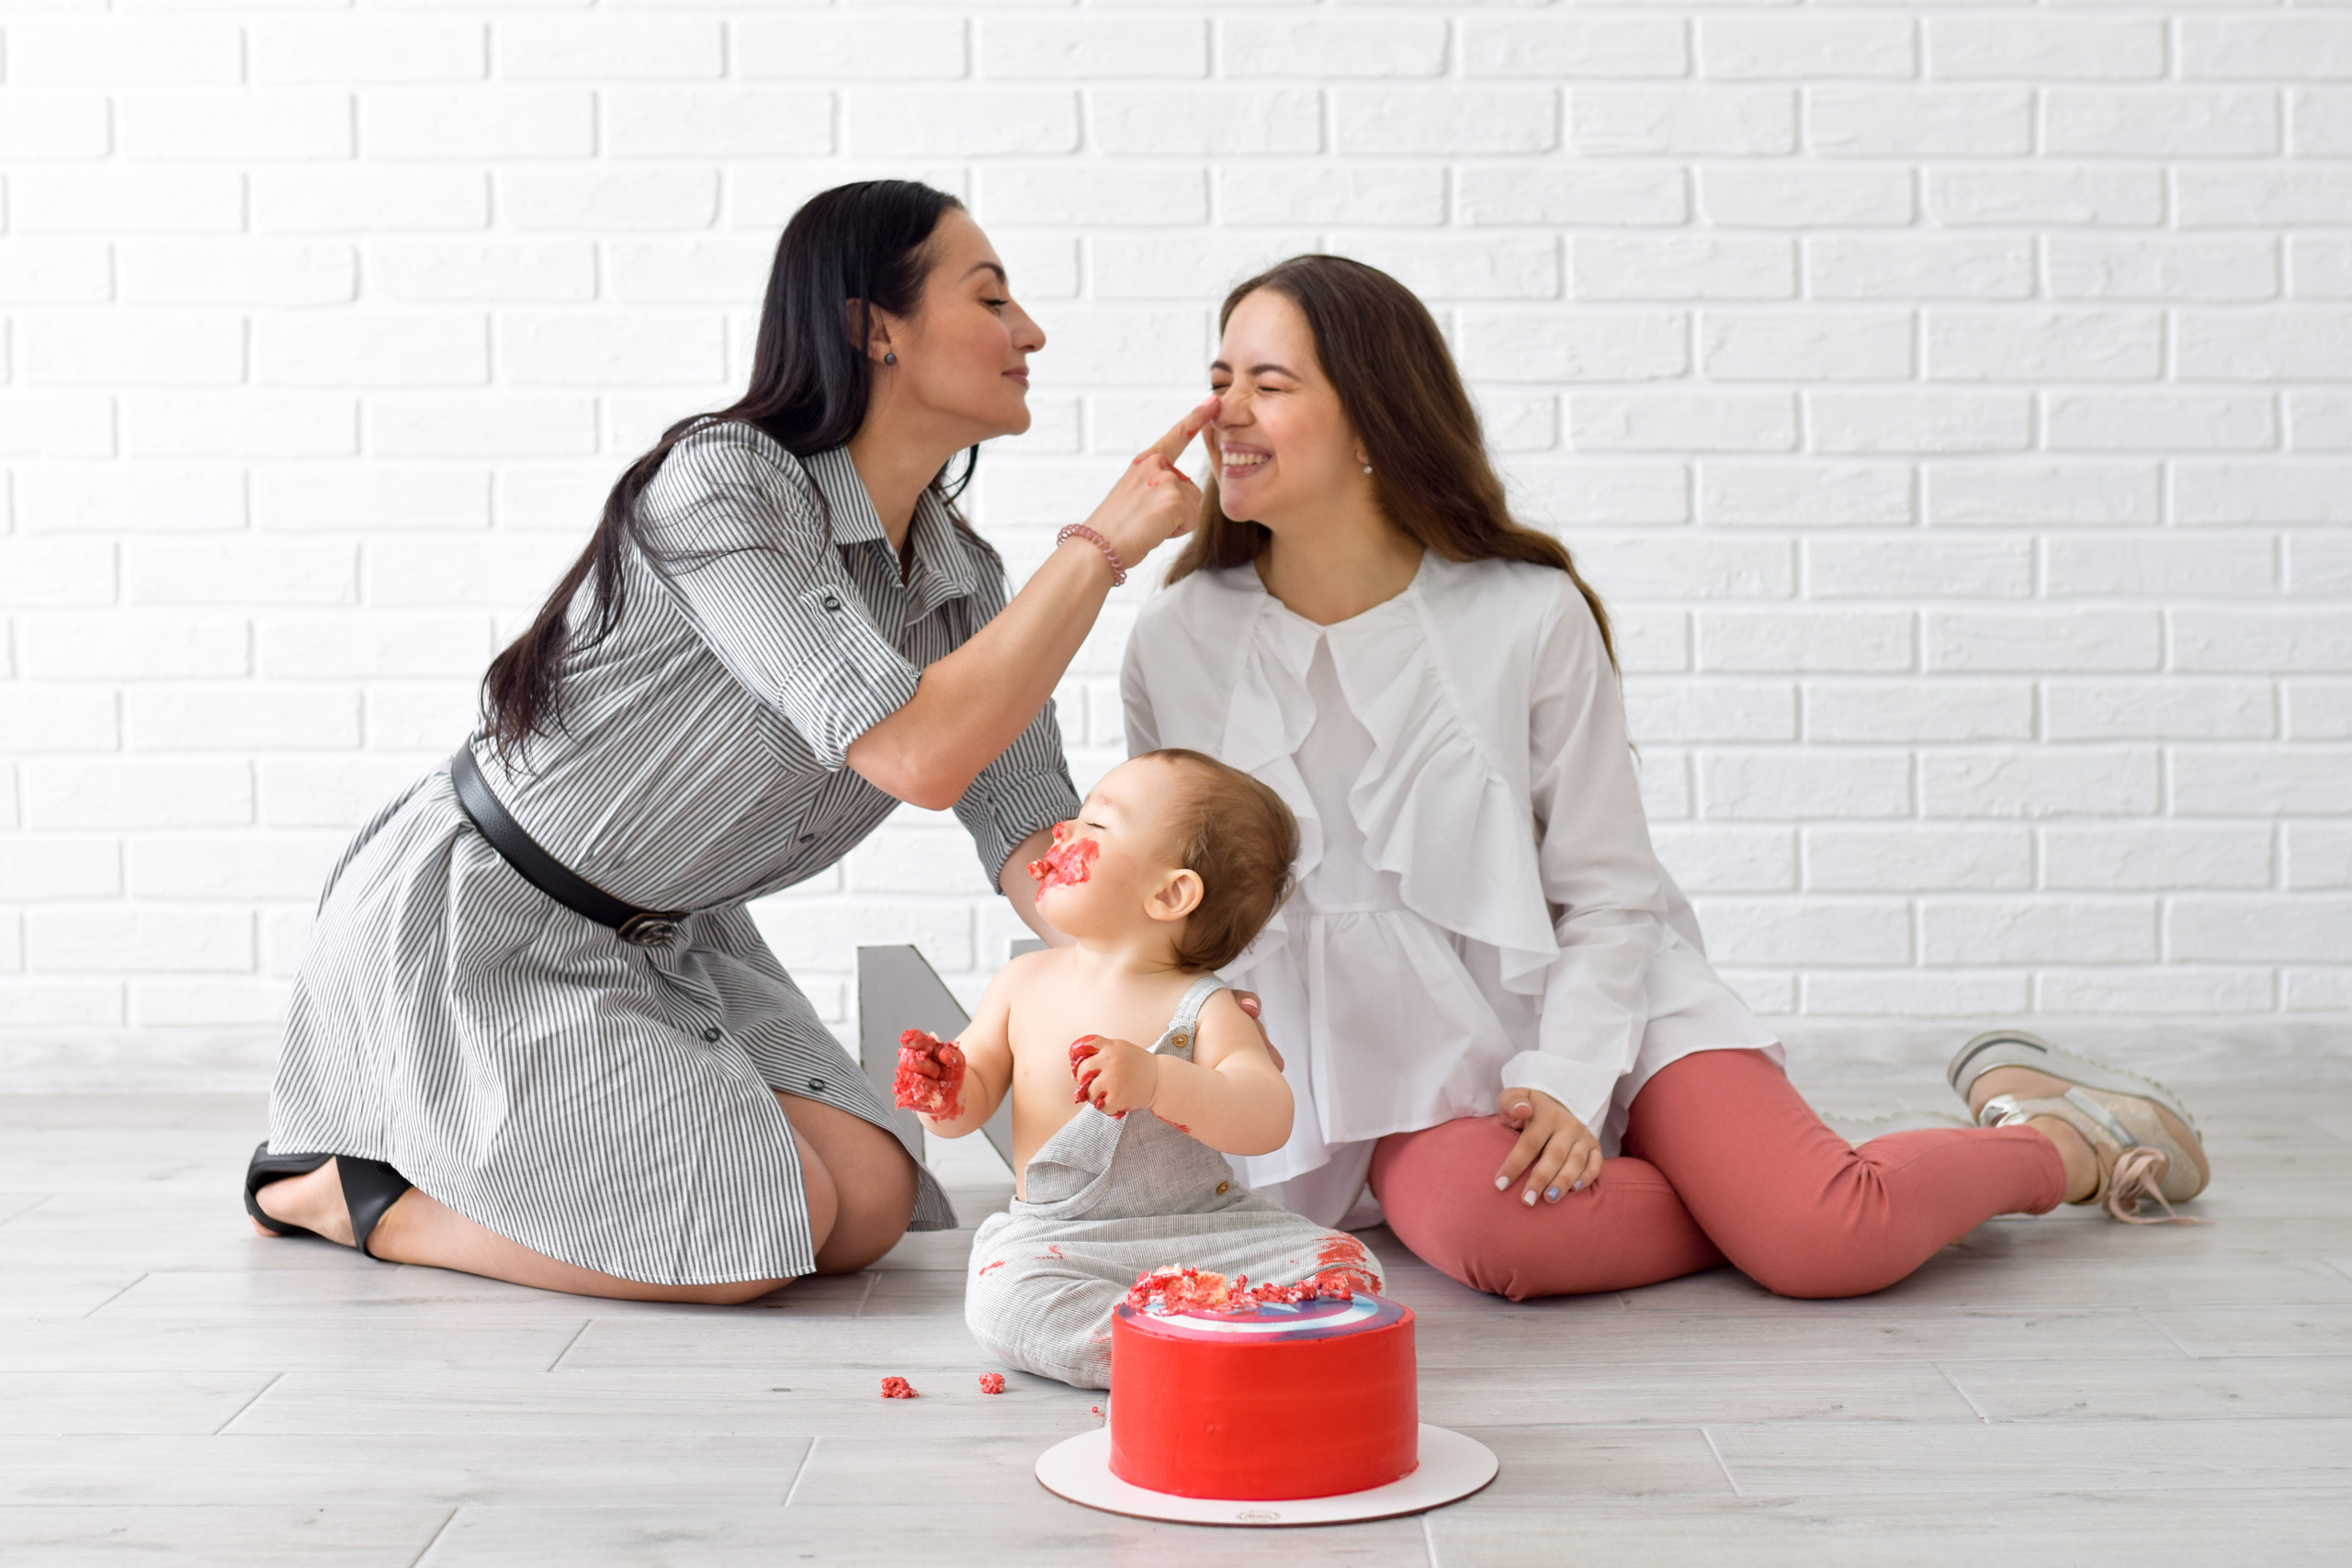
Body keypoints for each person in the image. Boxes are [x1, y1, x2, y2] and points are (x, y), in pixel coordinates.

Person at [1121, 254, 2211, 1303]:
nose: (1224, 411)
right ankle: (1772, 1193)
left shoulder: (1521, 613)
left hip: (1605, 1000)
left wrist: (1567, 1070)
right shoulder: (1176, 637)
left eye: (1268, 384)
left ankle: (2064, 1140)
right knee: (1484, 1230)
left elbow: (1607, 886)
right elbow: (1172, 915)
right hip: (1383, 1070)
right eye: (1219, 380)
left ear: (1375, 419)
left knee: (1826, 1242)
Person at [243, 180, 1219, 1303]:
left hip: (673, 938)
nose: (1030, 332)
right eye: (991, 298)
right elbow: (911, 753)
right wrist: (1101, 548)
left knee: (867, 1203)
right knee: (767, 1231)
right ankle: (349, 1193)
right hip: (494, 928)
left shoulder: (962, 581)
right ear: (873, 329)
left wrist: (1172, 957)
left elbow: (1028, 837)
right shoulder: (726, 480)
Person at [900, 749, 1381, 1388]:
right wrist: (947, 1087)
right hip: (1063, 1240)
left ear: (1171, 893)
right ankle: (1205, 1339)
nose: (1062, 833)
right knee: (1001, 1300)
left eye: (1097, 826)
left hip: (1205, 1231)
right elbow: (972, 1102)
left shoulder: (1205, 1004)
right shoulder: (1022, 982)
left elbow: (1267, 1115)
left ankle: (1179, 1335)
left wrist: (1159, 1080)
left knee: (1347, 1261)